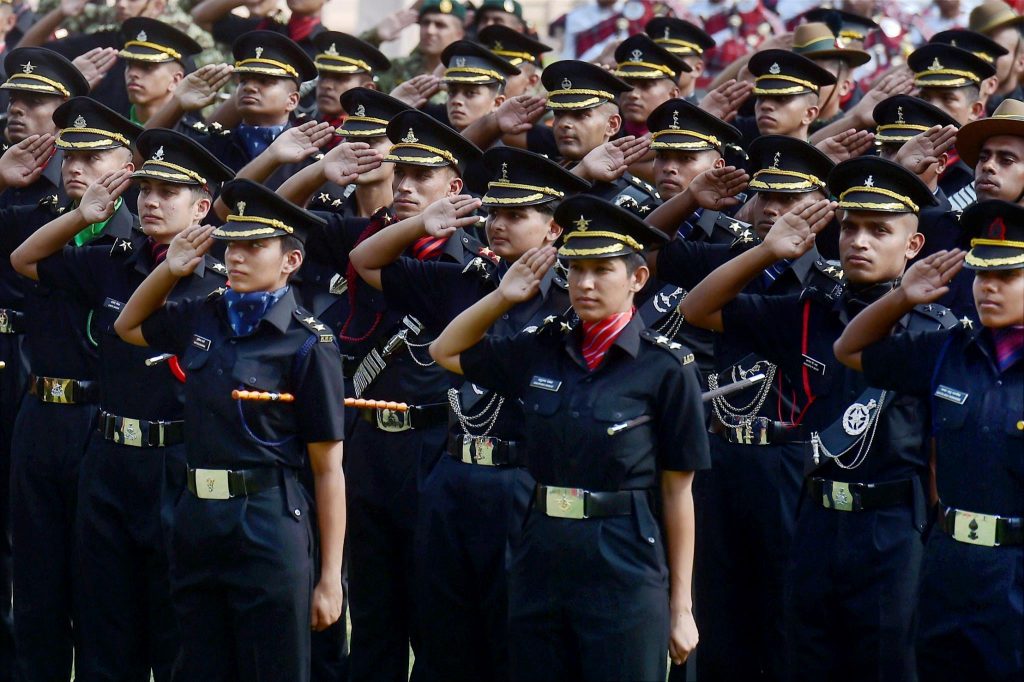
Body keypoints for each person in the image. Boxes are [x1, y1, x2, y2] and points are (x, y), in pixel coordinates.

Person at [680, 156, 959, 681]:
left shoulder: (932, 327)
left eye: (880, 230)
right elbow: (697, 308)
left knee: (885, 665)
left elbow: (942, 450)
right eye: (850, 227)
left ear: (913, 246)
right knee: (805, 659)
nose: (859, 241)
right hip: (815, 515)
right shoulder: (811, 310)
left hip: (894, 525)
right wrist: (766, 251)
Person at [429, 194, 710, 681]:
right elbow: (445, 350)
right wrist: (501, 297)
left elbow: (678, 491)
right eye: (576, 268)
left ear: (637, 279)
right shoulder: (544, 348)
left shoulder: (666, 367)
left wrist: (681, 606)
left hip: (623, 551)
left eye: (602, 270)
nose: (585, 283)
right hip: (542, 546)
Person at [349, 146, 587, 680]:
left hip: (524, 476)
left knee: (515, 636)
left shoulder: (573, 297)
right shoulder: (464, 277)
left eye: (517, 215)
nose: (499, 225)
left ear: (553, 230)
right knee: (445, 636)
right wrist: (416, 224)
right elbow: (365, 262)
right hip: (452, 470)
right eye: (495, 213)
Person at [9, 114, 232, 681]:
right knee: (107, 629)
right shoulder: (115, 262)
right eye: (148, 191)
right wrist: (82, 217)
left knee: (172, 628)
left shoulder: (219, 285)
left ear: (202, 207)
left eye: (169, 192)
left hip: (176, 461)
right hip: (108, 458)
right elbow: (25, 261)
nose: (152, 202)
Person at [112, 175, 346, 680]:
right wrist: (168, 271)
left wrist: (330, 578)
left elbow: (328, 470)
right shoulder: (205, 314)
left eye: (254, 247)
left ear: (291, 261)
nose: (236, 257)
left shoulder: (308, 344)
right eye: (232, 245)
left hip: (267, 517)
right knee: (199, 664)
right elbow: (128, 327)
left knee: (272, 668)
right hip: (197, 515)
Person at [833, 199, 1023, 682]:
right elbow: (849, 349)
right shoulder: (948, 350)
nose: (989, 289)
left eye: (1008, 277)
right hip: (949, 563)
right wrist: (901, 298)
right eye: (982, 276)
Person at [0, 46, 88, 207]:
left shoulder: (79, 178)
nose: (14, 109)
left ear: (64, 111)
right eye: (12, 99)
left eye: (33, 101)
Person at [908, 42, 994, 197]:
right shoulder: (897, 150)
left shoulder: (985, 166)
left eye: (947, 98)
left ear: (974, 110)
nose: (932, 107)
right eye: (924, 98)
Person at [118, 17, 203, 127]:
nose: (133, 73)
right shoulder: (109, 127)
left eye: (146, 67)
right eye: (129, 65)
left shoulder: (192, 139)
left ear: (175, 80)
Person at [612, 33, 689, 138]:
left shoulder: (685, 145)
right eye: (627, 84)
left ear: (672, 95)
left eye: (645, 86)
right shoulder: (603, 139)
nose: (633, 94)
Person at [437, 39, 518, 132]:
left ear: (497, 103)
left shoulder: (497, 147)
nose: (456, 101)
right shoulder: (435, 141)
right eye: (452, 92)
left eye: (470, 93)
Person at [969, 0, 1024, 113]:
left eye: (995, 50)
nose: (983, 57)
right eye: (976, 49)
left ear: (1021, 62)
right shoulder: (960, 105)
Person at [645, 16, 715, 101]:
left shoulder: (704, 112)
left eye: (675, 59)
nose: (665, 65)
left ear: (697, 68)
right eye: (659, 57)